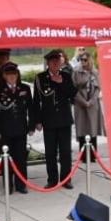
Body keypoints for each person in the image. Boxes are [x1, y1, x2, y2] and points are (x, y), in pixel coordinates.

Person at [0, 62, 38, 194]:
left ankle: (21, 184)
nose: (12, 77)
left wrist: (31, 125)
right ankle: (8, 185)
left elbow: (31, 109)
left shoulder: (25, 88)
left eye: (14, 74)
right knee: (7, 159)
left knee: (21, 158)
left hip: (21, 128)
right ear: (4, 76)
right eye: (9, 74)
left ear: (17, 75)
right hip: (5, 130)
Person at [37, 49, 77, 187]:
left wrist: (60, 83)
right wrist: (37, 121)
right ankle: (52, 180)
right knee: (50, 152)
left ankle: (66, 179)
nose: (55, 64)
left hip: (64, 119)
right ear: (48, 63)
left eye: (57, 62)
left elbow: (73, 94)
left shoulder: (65, 76)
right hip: (49, 120)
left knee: (65, 151)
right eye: (52, 62)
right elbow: (37, 100)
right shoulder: (40, 78)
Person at [72, 48, 105, 143]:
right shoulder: (76, 71)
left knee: (92, 130)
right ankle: (82, 156)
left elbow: (98, 88)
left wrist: (91, 102)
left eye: (85, 60)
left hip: (92, 105)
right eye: (81, 59)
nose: (82, 62)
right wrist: (83, 101)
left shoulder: (95, 72)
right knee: (82, 130)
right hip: (80, 104)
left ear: (89, 60)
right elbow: (73, 89)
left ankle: (93, 155)